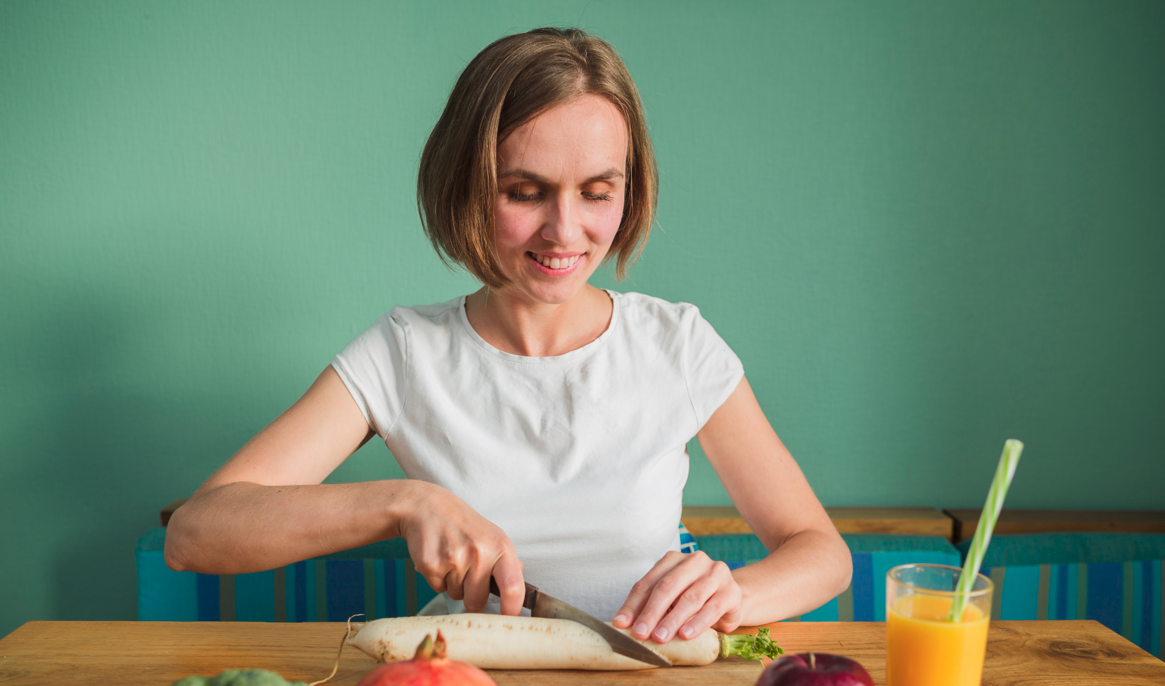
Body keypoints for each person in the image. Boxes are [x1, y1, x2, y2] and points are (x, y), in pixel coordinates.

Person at [165, 27, 851, 646]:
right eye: (524, 191)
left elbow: (819, 550)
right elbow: (197, 533)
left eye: (596, 191)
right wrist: (402, 502)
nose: (564, 229)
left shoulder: (676, 345)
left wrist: (734, 593)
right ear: (466, 186)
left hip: (649, 685)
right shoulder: (404, 353)